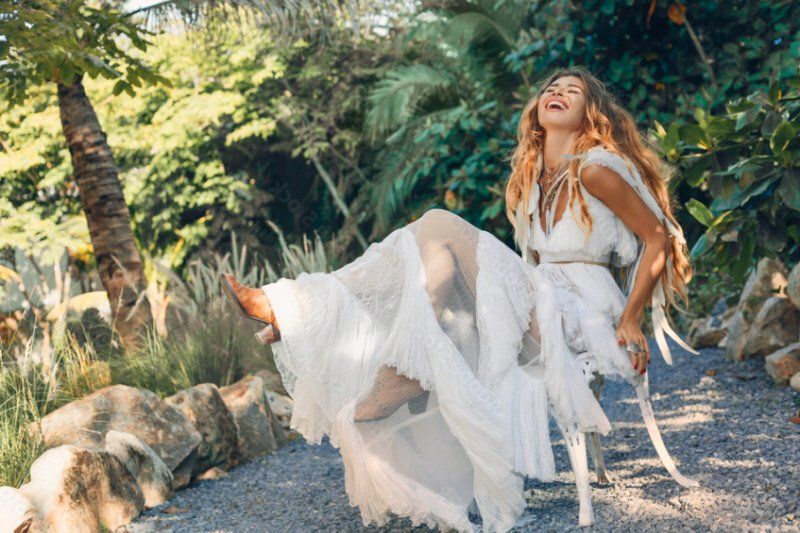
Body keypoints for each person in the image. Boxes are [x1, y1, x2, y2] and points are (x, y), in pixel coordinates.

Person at [220, 66, 701, 531]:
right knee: (423, 241)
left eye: (572, 92)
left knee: (437, 224)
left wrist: (631, 320)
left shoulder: (595, 171)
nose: (557, 92)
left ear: (590, 113)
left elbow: (657, 238)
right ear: (536, 109)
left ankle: (298, 308)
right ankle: (372, 351)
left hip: (578, 312)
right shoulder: (533, 182)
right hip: (544, 302)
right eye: (552, 87)